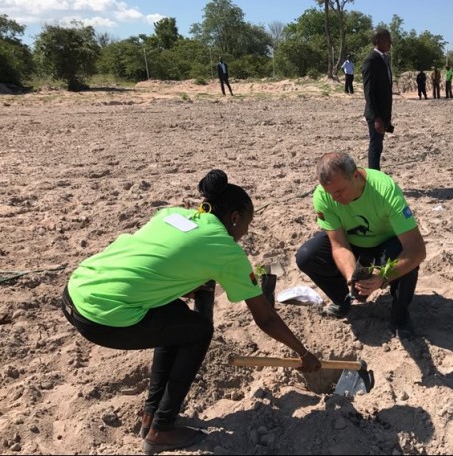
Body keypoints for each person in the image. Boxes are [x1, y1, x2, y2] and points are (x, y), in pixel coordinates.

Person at [61, 169, 321, 454]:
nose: (245, 233)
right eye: (247, 223)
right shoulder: (226, 250)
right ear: (235, 217)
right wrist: (304, 354)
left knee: (176, 321)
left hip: (76, 290)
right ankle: (161, 428)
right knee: (199, 332)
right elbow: (266, 318)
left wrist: (194, 287)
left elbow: (157, 261)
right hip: (101, 317)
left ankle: (151, 417)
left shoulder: (173, 214)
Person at [296, 152, 427, 337]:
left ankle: (400, 316)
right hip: (353, 244)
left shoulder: (385, 190)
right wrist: (352, 276)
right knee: (307, 256)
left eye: (340, 192)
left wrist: (383, 276)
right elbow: (339, 246)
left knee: (407, 260)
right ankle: (343, 300)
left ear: (356, 175)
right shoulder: (323, 196)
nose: (335, 198)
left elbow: (417, 250)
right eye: (330, 193)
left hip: (387, 244)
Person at [362, 28, 394, 171]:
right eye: (387, 39)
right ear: (378, 41)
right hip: (376, 114)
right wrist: (376, 117)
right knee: (375, 146)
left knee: (379, 146)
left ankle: (376, 176)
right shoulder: (371, 60)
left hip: (383, 112)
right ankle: (374, 179)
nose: (390, 43)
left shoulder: (384, 59)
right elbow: (369, 91)